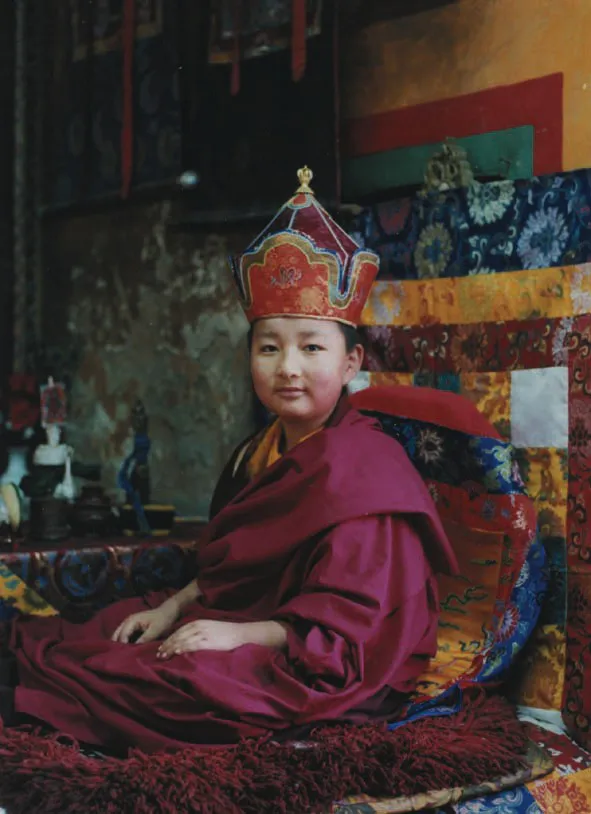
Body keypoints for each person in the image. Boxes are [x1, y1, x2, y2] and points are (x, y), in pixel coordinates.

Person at [8, 168, 458, 754]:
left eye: (311, 347)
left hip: (321, 667)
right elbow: (235, 571)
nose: (287, 368)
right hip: (255, 626)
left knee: (170, 679)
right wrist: (173, 608)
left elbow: (345, 638)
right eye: (269, 347)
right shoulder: (262, 448)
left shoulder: (364, 468)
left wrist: (234, 635)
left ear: (351, 364)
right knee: (96, 636)